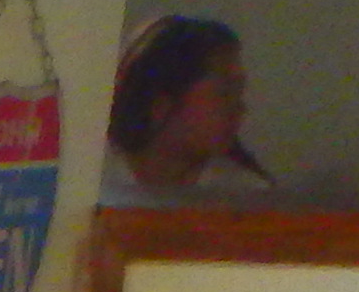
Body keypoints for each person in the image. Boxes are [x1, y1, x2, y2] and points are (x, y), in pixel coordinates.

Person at [107, 16, 267, 194]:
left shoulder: (245, 193)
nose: (239, 109)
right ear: (160, 105)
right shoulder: (94, 173)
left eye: (239, 93)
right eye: (224, 93)